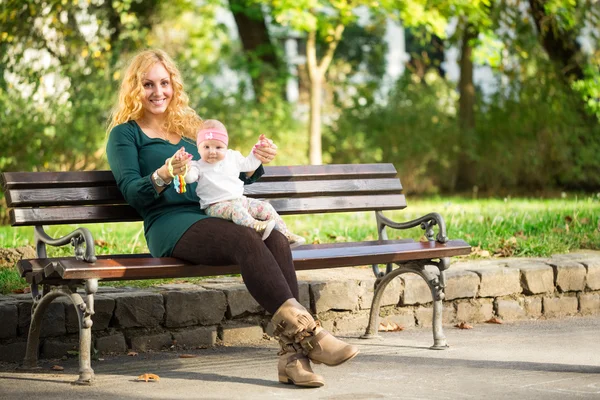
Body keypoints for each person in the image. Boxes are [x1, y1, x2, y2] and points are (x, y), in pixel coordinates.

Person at [105, 49, 358, 388]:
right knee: (245, 237)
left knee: (273, 234)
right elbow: (132, 193)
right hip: (169, 224)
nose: (158, 92)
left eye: (164, 82)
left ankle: (292, 360)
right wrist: (164, 173)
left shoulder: (192, 130)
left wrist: (255, 163)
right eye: (148, 84)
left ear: (174, 85)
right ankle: (309, 334)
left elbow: (221, 176)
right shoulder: (125, 134)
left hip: (211, 212)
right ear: (135, 88)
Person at [184, 118, 306, 247]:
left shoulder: (232, 157)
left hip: (239, 200)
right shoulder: (197, 166)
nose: (212, 151)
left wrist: (258, 148)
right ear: (198, 148)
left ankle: (285, 233)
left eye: (218, 147)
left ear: (226, 146)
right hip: (215, 206)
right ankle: (256, 227)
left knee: (265, 207)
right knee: (236, 210)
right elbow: (189, 178)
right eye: (206, 147)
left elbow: (249, 164)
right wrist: (184, 169)